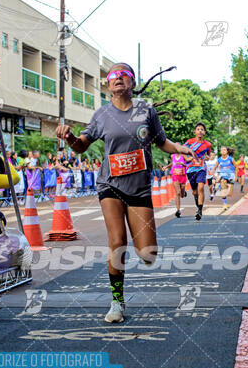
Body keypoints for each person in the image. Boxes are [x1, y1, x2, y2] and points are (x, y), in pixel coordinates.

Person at [56, 62, 196, 324]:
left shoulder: (146, 110)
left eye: (124, 74)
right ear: (108, 86)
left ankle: (142, 256)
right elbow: (80, 148)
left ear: (132, 83)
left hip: (139, 188)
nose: (118, 78)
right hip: (110, 185)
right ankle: (116, 302)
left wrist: (180, 148)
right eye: (112, 76)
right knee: (117, 241)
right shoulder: (101, 115)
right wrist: (69, 138)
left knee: (148, 254)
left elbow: (161, 141)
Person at [184, 122, 212, 220]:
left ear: (204, 132)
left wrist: (207, 158)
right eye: (198, 129)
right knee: (195, 192)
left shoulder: (208, 144)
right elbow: (182, 150)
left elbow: (209, 155)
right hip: (190, 169)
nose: (200, 131)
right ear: (195, 131)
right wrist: (186, 159)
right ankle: (198, 203)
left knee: (201, 188)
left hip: (201, 168)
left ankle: (200, 211)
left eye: (202, 129)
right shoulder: (189, 142)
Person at [162, 145, 187, 217]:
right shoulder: (172, 156)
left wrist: (182, 164)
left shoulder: (183, 155)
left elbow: (187, 164)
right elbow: (172, 163)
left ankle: (183, 192)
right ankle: (178, 210)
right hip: (175, 176)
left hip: (182, 176)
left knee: (182, 195)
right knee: (177, 193)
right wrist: (166, 166)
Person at [214, 146, 237, 210]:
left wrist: (235, 176)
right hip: (223, 176)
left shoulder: (231, 159)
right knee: (223, 193)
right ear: (220, 152)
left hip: (231, 176)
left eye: (224, 150)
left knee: (229, 194)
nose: (223, 151)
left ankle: (224, 189)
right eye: (222, 150)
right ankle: (225, 204)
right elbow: (214, 168)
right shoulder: (219, 160)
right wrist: (214, 177)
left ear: (227, 151)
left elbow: (236, 167)